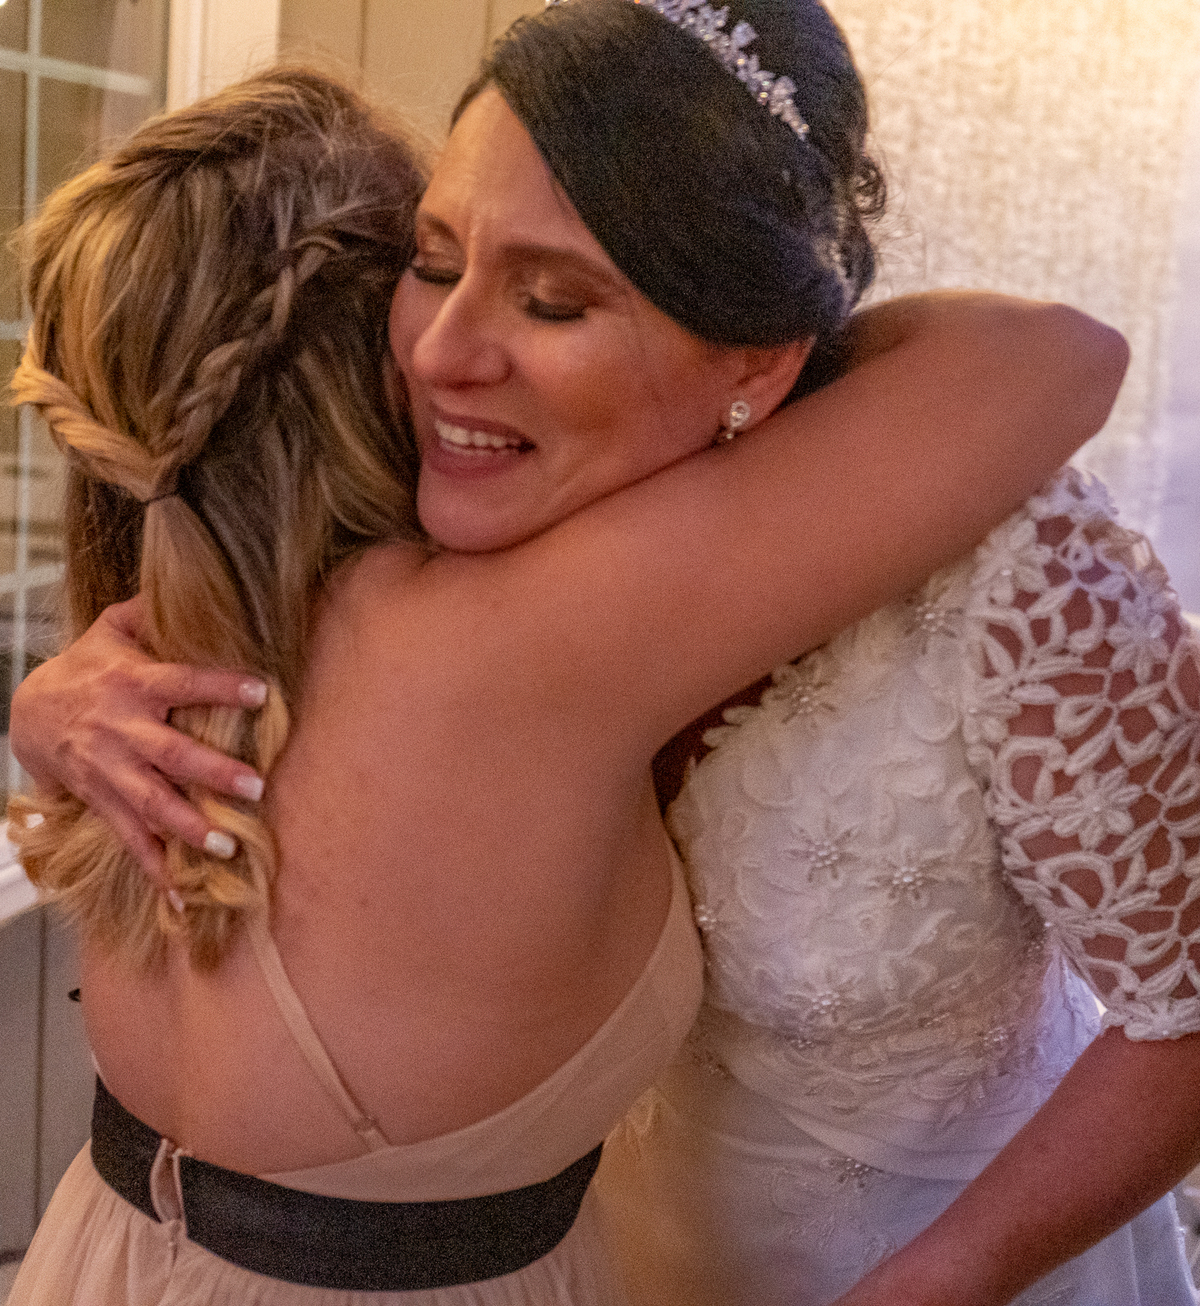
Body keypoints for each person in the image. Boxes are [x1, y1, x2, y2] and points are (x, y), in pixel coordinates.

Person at [7, 9, 1128, 1306]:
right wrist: (766, 341)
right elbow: (1058, 357)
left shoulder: (162, 621)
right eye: (433, 264)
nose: (446, 349)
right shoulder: (519, 643)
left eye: (549, 298)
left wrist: (40, 705)